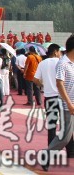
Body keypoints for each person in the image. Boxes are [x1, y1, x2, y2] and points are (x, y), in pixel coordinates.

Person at [34, 43, 74, 156]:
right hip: (62, 97)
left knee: (52, 126)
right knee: (66, 126)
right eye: (60, 52)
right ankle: (70, 150)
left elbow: (35, 79)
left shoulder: (42, 63)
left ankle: (51, 150)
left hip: (50, 97)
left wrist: (44, 84)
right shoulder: (62, 62)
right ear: (56, 52)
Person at [42, 35, 74, 171]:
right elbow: (59, 84)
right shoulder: (62, 63)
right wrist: (69, 104)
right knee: (66, 137)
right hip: (68, 106)